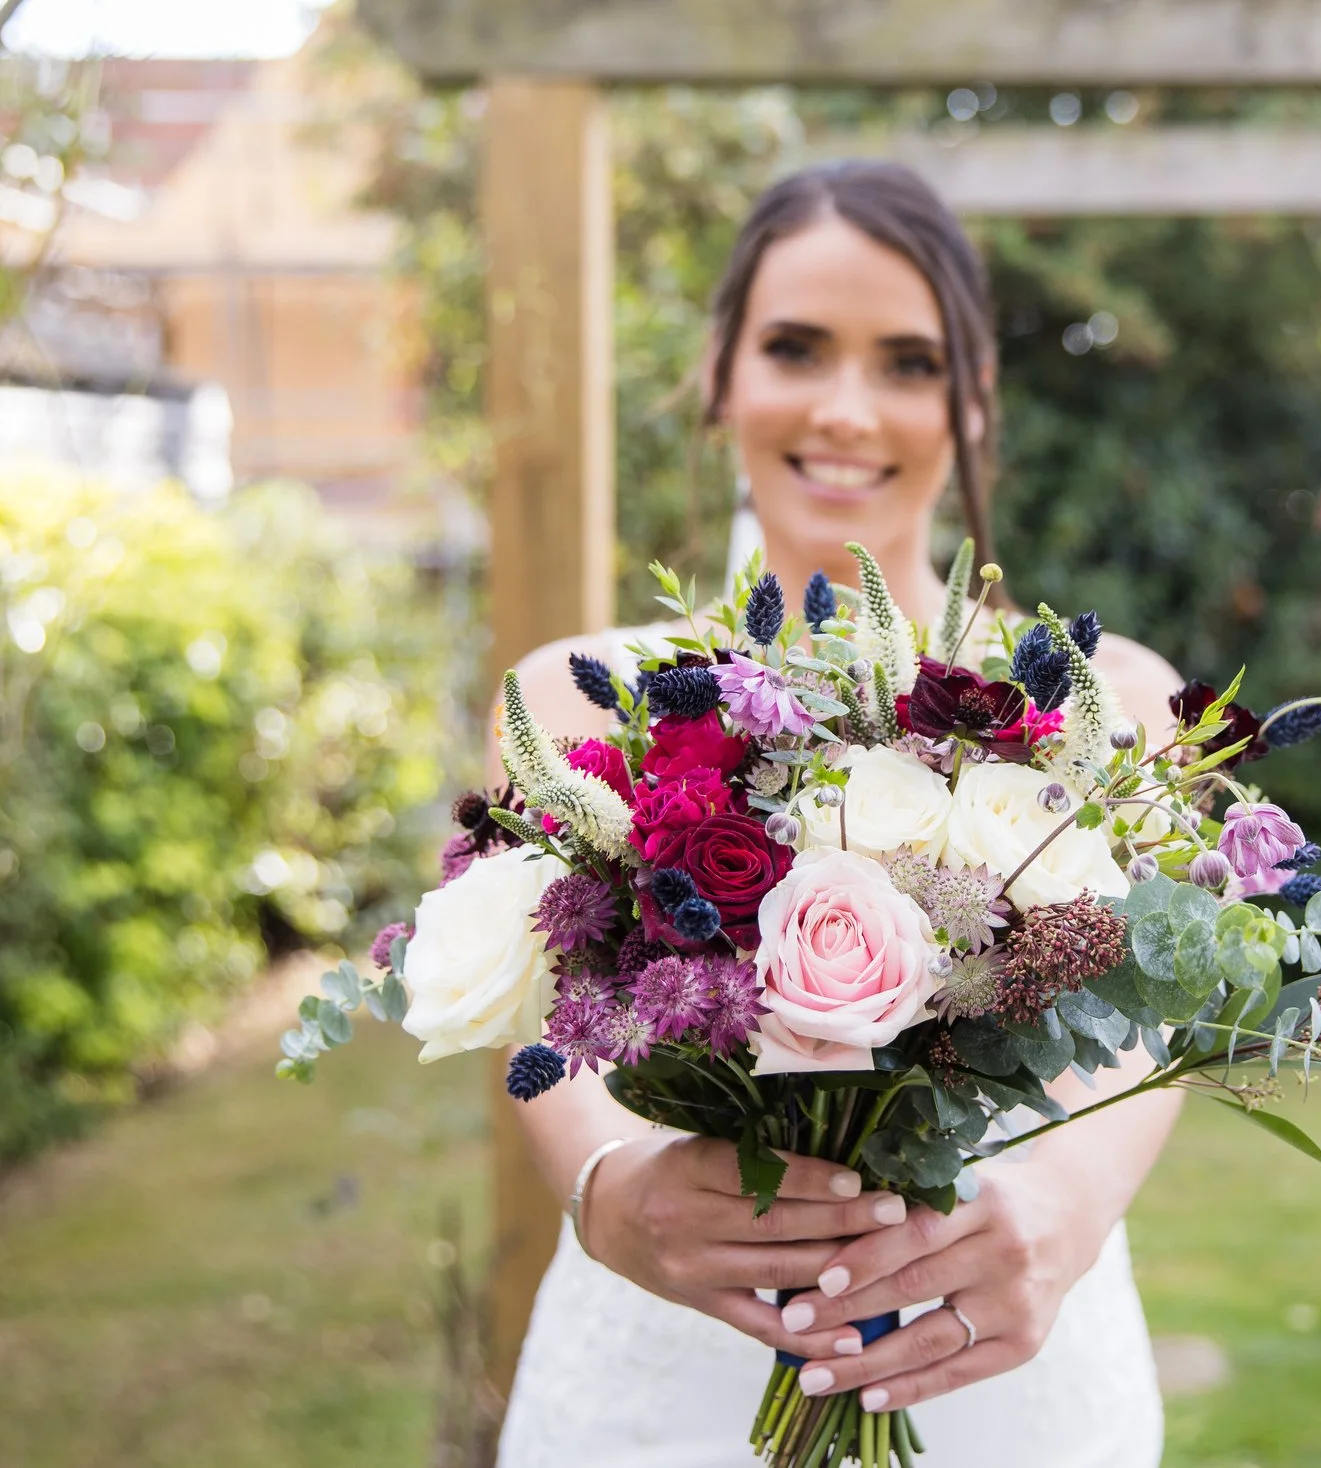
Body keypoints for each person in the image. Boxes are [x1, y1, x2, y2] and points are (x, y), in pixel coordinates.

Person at [489, 161, 1185, 1467]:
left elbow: (1147, 1029)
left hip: (1002, 1360)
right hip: (664, 1371)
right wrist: (605, 1188)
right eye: (796, 348)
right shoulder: (576, 706)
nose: (847, 409)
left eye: (910, 363)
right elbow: (536, 1012)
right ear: (720, 372)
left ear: (975, 403)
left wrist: (1076, 1205)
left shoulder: (1113, 703)